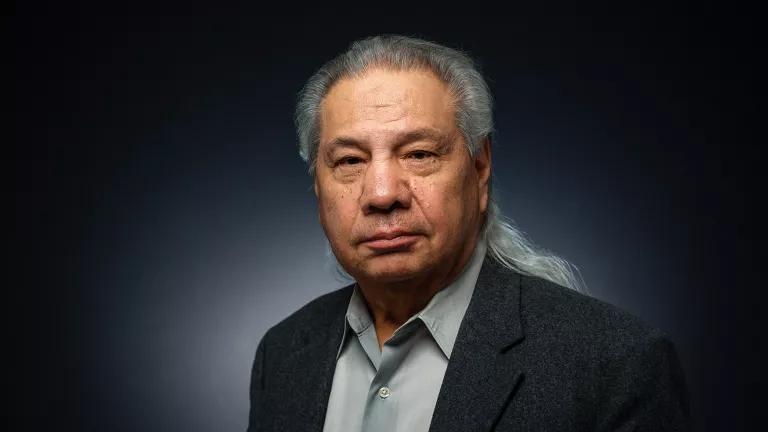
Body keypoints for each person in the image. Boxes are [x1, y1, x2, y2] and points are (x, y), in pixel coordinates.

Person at [247, 35, 690, 432]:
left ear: (480, 168)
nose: (382, 194)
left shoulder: (615, 365)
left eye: (418, 153)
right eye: (349, 161)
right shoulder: (283, 355)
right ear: (316, 184)